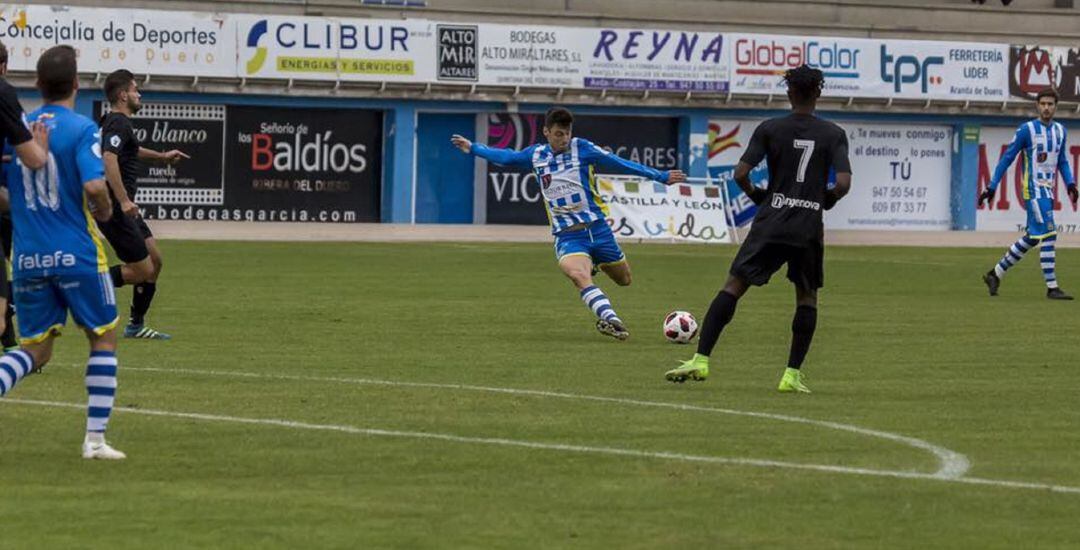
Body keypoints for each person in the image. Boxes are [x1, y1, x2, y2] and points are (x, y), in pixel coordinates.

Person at [664, 65, 852, 393]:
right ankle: (791, 376)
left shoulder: (770, 129)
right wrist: (827, 200)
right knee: (807, 297)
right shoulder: (833, 134)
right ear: (818, 93)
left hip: (772, 221)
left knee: (734, 285)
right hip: (808, 226)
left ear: (789, 93)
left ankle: (701, 360)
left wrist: (758, 197)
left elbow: (739, 174)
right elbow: (845, 183)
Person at [451, 107, 686, 340]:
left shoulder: (582, 149)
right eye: (559, 134)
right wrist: (473, 148)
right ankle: (612, 319)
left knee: (624, 279)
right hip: (568, 236)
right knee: (577, 275)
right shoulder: (536, 156)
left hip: (598, 229)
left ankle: (595, 263)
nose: (564, 138)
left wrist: (660, 176)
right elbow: (507, 156)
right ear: (546, 132)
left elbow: (619, 163)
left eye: (567, 133)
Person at [0, 45, 125, 459]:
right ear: (76, 83)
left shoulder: (17, 126)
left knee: (34, 350)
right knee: (103, 336)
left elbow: (4, 194)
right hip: (76, 253)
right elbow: (94, 187)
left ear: (37, 84)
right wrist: (105, 211)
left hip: (28, 256)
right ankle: (95, 439)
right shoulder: (82, 129)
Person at [97, 69, 188, 340]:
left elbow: (129, 150)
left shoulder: (117, 123)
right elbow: (109, 158)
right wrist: (124, 200)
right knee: (142, 270)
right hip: (115, 208)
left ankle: (136, 325)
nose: (139, 93)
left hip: (124, 208)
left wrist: (160, 156)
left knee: (155, 262)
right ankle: (81, 285)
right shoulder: (118, 122)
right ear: (124, 95)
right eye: (136, 89)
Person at [980, 88, 1077, 300]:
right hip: (1033, 191)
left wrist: (1070, 183)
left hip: (1048, 192)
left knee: (1033, 238)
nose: (1046, 108)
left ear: (1056, 106)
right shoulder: (1026, 130)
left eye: (1050, 104)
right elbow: (1007, 158)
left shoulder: (1061, 131)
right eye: (1043, 104)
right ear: (1037, 105)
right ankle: (1052, 288)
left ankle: (995, 273)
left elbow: (1062, 161)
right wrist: (992, 185)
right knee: (1049, 233)